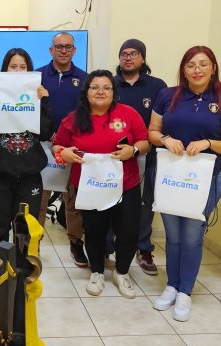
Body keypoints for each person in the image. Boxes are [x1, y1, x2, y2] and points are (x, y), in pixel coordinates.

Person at [148, 46, 221, 321]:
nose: (197, 70)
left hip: (205, 178)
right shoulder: (167, 95)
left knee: (192, 236)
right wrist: (166, 139)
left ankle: (185, 291)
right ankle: (171, 286)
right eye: (191, 65)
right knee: (173, 236)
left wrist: (208, 143)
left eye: (203, 64)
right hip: (170, 176)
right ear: (183, 70)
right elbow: (152, 132)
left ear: (213, 68)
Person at [53, 70, 149, 297]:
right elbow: (57, 145)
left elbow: (145, 142)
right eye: (95, 87)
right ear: (86, 92)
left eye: (106, 87)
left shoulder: (128, 114)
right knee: (94, 231)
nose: (100, 92)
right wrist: (62, 152)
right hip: (90, 186)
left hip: (126, 185)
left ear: (113, 92)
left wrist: (134, 150)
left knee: (128, 231)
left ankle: (122, 272)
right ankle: (96, 271)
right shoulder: (73, 119)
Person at [0, 48, 53, 240]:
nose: (18, 71)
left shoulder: (38, 95)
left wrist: (44, 103)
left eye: (23, 67)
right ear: (5, 69)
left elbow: (46, 133)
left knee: (25, 231)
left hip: (30, 175)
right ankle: (0, 260)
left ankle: (23, 261)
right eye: (13, 66)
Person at [111, 39, 167, 275]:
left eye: (134, 53)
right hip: (113, 155)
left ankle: (143, 247)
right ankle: (109, 245)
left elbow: (164, 119)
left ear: (143, 58)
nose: (128, 57)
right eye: (124, 53)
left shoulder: (157, 86)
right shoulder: (110, 84)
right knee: (110, 199)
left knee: (145, 202)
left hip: (147, 153)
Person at [37, 32, 89, 268]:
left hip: (73, 148)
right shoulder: (37, 76)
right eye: (59, 46)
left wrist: (69, 138)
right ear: (51, 50)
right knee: (40, 199)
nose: (64, 50)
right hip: (44, 146)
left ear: (74, 50)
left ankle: (76, 242)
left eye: (68, 46)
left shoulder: (85, 79)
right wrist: (48, 133)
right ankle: (34, 243)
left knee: (74, 200)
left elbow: (87, 112)